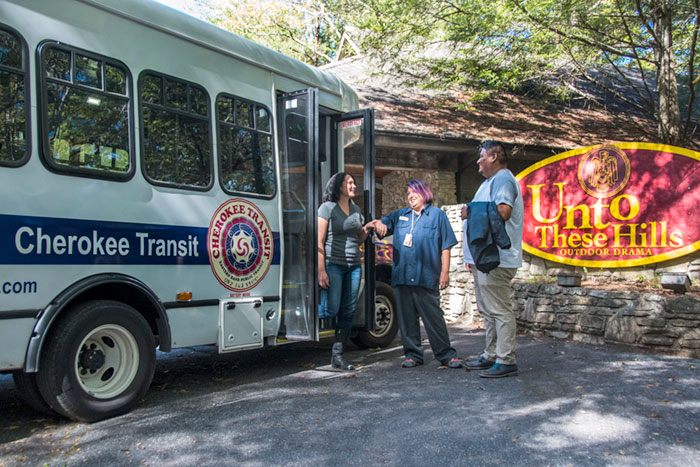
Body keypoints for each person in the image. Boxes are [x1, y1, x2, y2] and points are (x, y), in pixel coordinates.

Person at [370, 179, 462, 369]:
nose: (411, 196)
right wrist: (378, 224)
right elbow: (383, 225)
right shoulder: (400, 215)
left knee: (434, 318)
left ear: (424, 193)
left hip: (426, 276)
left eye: (415, 192)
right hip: (403, 276)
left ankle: (446, 355)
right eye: (408, 193)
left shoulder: (437, 216)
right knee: (407, 319)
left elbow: (446, 246)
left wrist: (445, 272)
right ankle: (413, 355)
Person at [462, 141, 524, 378]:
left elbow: (503, 212)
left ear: (495, 157)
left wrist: (470, 210)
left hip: (496, 258)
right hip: (483, 258)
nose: (477, 161)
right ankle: (491, 355)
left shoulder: (503, 179)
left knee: (499, 310)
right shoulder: (490, 182)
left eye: (481, 156)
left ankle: (506, 359)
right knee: (488, 311)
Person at [318, 172, 373, 371]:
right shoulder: (327, 208)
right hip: (333, 264)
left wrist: (367, 228)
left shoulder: (356, 209)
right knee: (331, 309)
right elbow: (319, 240)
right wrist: (321, 269)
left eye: (354, 183)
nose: (353, 185)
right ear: (339, 186)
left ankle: (338, 355)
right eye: (349, 182)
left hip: (354, 266)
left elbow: (357, 239)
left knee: (348, 311)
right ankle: (306, 313)